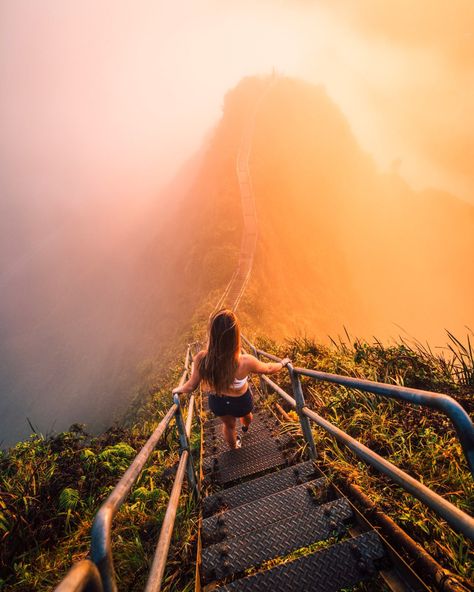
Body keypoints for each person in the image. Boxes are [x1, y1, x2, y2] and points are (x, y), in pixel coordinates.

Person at [172, 309, 290, 449]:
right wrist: (283, 363)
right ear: (235, 336)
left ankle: (234, 447)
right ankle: (245, 427)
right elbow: (269, 368)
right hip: (241, 402)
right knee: (248, 417)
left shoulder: (202, 359)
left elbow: (191, 386)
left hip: (218, 402)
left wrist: (176, 390)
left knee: (229, 425)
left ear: (212, 334)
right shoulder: (246, 362)